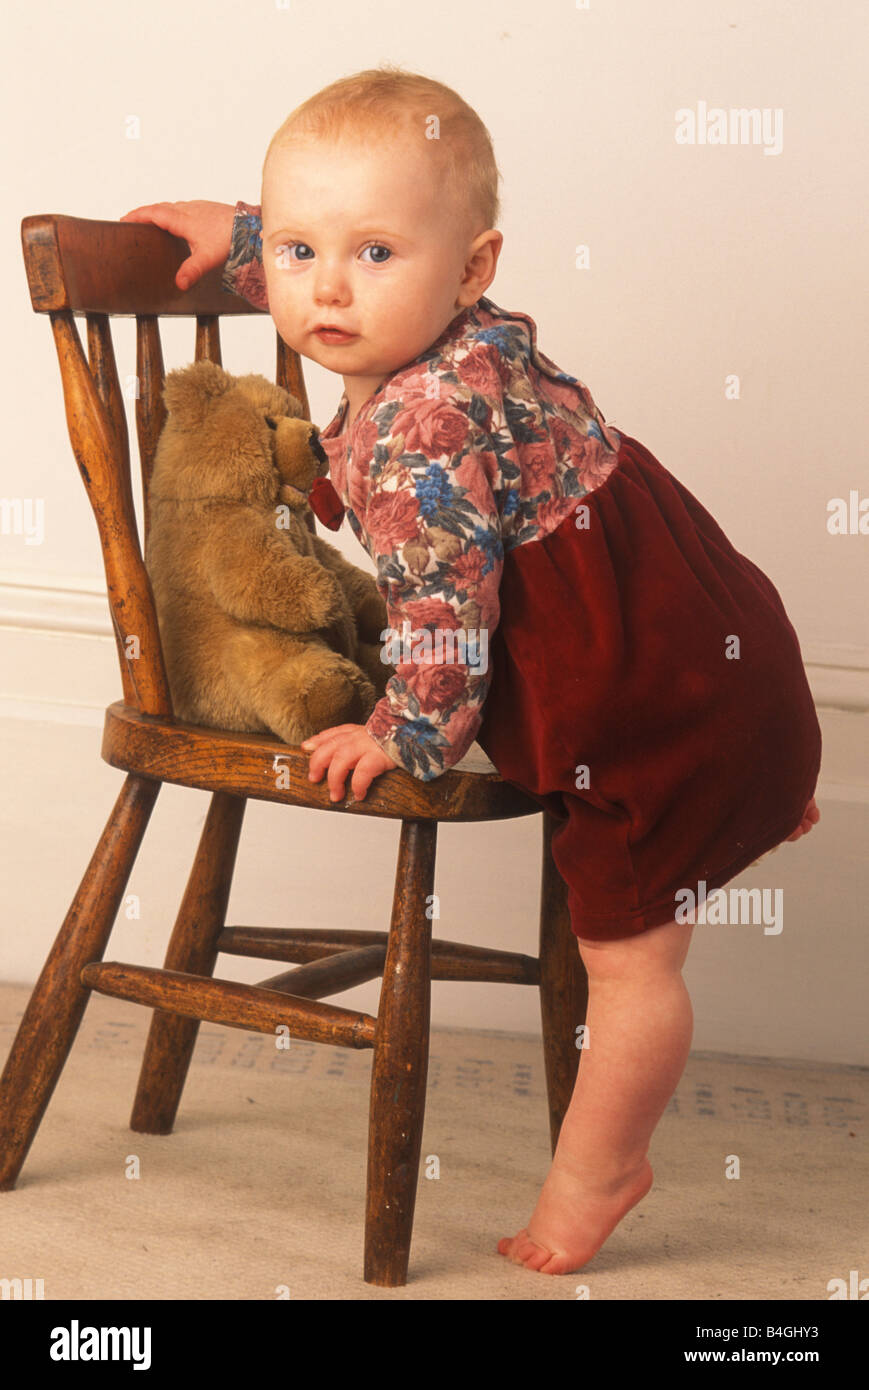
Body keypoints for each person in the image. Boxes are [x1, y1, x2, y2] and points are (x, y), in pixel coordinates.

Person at [121, 64, 821, 1277]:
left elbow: (446, 610)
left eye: (373, 252)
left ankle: (602, 1168)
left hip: (650, 699)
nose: (325, 287)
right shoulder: (458, 339)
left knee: (634, 958)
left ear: (473, 268)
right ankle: (740, 802)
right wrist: (237, 234)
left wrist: (406, 732)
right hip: (702, 643)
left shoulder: (419, 432)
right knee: (680, 854)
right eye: (294, 251)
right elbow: (339, 279)